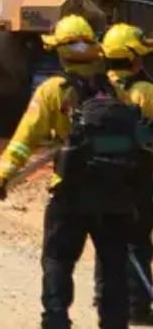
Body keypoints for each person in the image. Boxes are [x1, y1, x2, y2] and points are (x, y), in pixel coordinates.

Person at [0, 14, 150, 329]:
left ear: (59, 53)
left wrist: (2, 176)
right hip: (114, 191)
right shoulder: (115, 89)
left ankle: (56, 318)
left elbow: (24, 139)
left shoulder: (53, 91)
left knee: (58, 260)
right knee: (113, 265)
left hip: (70, 191)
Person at [95, 23, 153, 325]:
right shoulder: (146, 92)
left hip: (102, 177)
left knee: (106, 241)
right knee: (137, 239)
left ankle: (103, 297)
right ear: (134, 58)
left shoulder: (95, 90)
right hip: (139, 176)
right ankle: (137, 306)